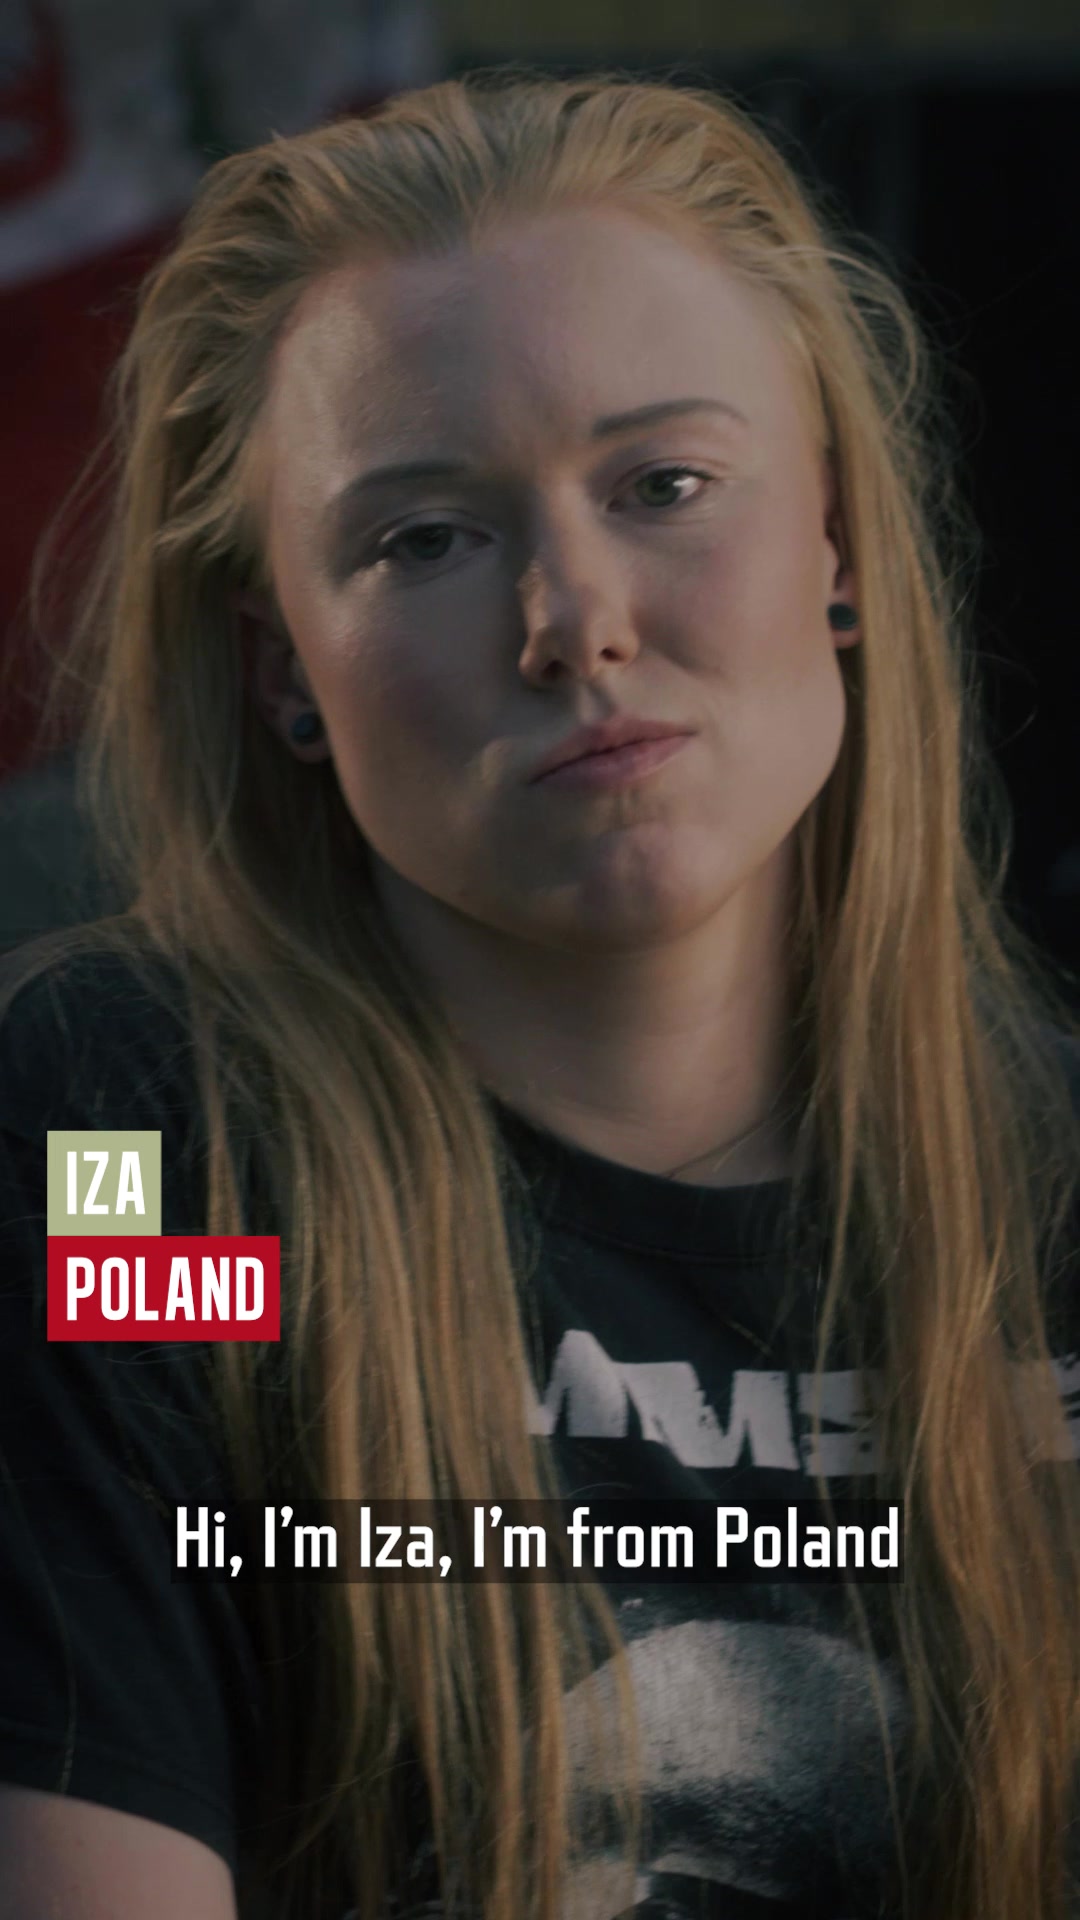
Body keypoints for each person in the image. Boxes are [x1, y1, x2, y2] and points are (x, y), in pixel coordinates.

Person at [0, 67, 1078, 1920]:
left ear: (835, 544)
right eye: (424, 537)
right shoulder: (128, 1152)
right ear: (284, 670)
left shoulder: (1051, 1186)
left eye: (666, 485)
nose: (575, 620)